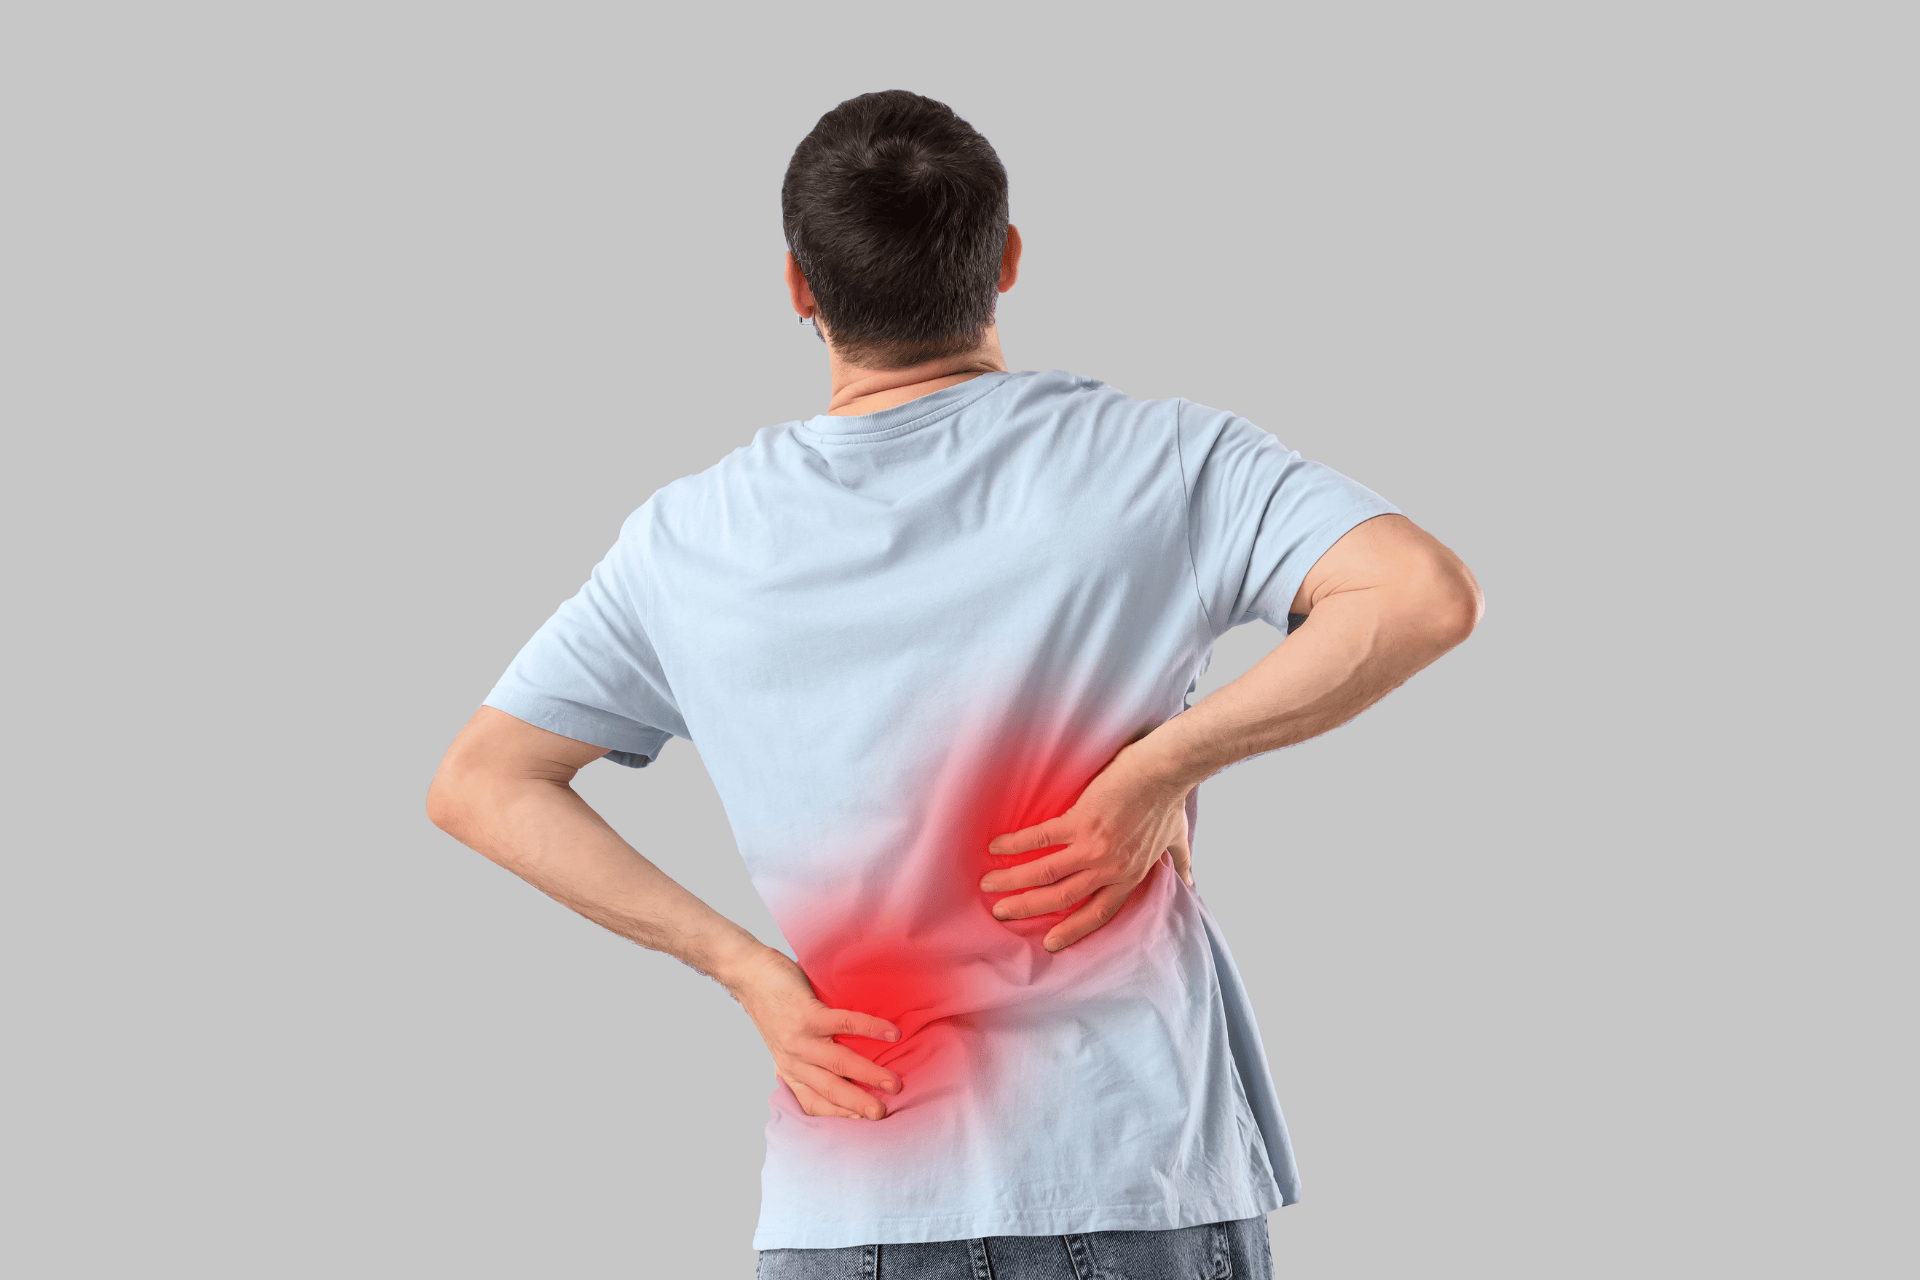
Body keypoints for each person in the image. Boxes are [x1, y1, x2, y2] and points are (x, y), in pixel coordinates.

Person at [427, 89, 1481, 1278]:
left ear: (800, 288)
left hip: (853, 1190)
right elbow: (1421, 594)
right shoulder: (1163, 460)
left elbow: (483, 780)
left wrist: (744, 968)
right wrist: (1160, 767)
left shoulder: (687, 539)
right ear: (1006, 260)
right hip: (1124, 1168)